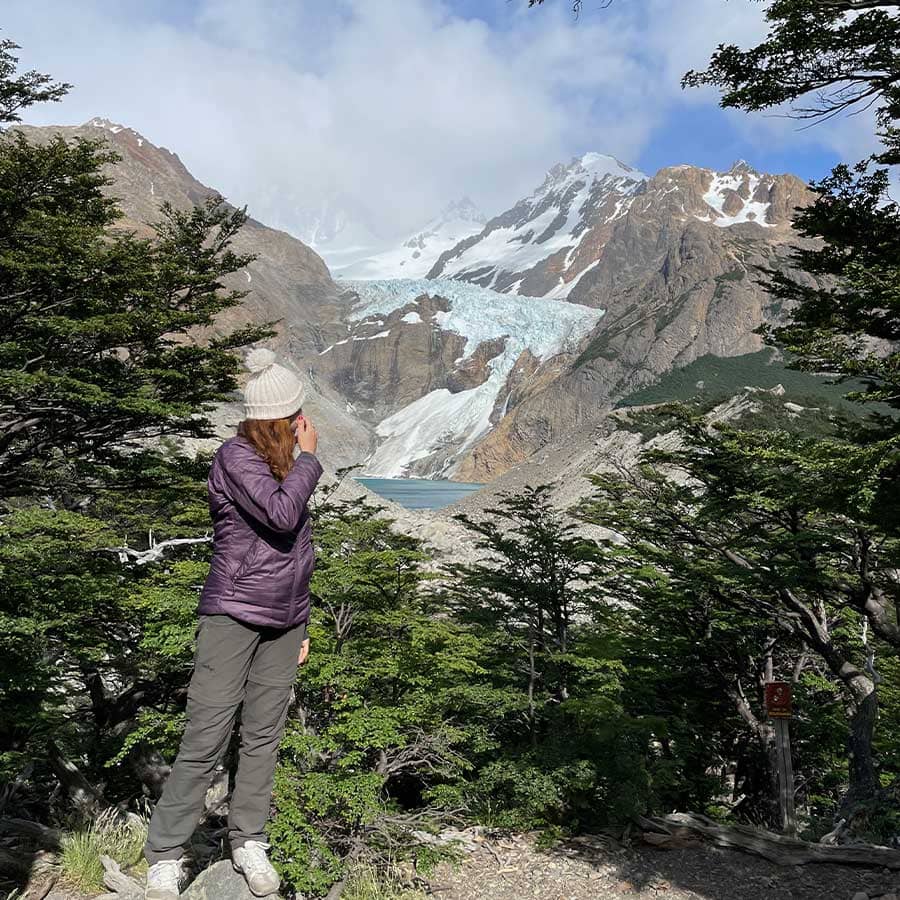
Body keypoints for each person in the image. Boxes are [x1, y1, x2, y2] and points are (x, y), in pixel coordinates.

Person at [144, 347, 323, 899]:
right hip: (234, 613)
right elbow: (282, 516)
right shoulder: (236, 457)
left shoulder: (281, 465)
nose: (303, 424)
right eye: (296, 417)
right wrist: (310, 458)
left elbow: (297, 553)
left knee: (264, 736)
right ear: (278, 420)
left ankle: (248, 839)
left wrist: (302, 624)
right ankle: (165, 855)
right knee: (206, 736)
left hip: (283, 621)